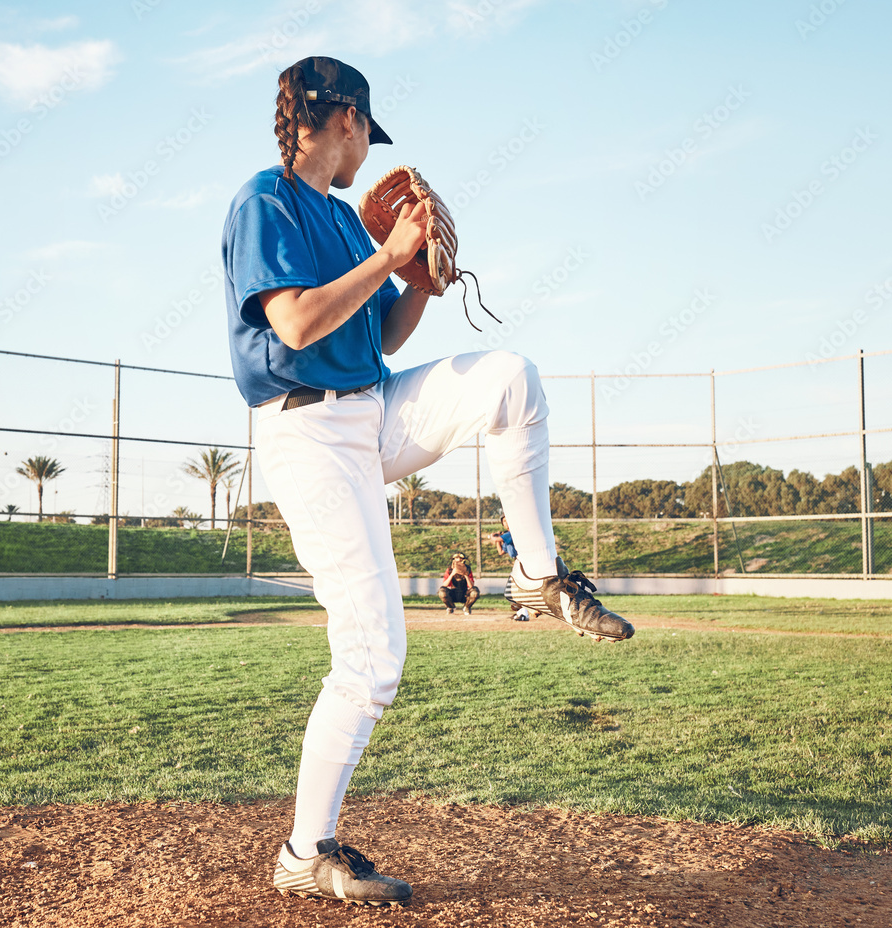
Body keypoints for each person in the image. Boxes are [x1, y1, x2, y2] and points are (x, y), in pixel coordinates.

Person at [221, 55, 634, 909]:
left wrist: (419, 280)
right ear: (343, 121)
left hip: (372, 406)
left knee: (511, 378)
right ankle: (304, 851)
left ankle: (535, 573)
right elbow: (296, 323)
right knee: (372, 656)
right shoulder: (265, 200)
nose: (370, 148)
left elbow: (384, 340)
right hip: (309, 431)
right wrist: (390, 254)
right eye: (367, 130)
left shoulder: (340, 220)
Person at [490, 514, 531, 620]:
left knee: (514, 589)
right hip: (518, 562)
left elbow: (495, 539)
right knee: (513, 590)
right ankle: (521, 612)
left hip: (524, 562)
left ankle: (524, 613)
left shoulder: (513, 532)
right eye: (504, 521)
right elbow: (501, 552)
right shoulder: (507, 535)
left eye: (508, 520)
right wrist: (499, 540)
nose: (506, 523)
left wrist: (492, 536)